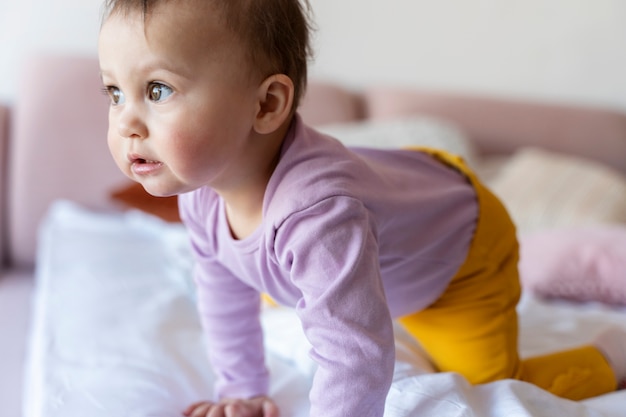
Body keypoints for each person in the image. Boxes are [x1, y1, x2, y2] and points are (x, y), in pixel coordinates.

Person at [97, 1, 626, 416]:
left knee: (491, 389)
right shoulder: (200, 192)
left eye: (158, 89)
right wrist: (243, 389)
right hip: (402, 189)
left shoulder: (319, 218)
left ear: (267, 105)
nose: (125, 122)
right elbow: (223, 284)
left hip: (462, 245)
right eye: (115, 93)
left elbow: (358, 357)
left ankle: (609, 356)